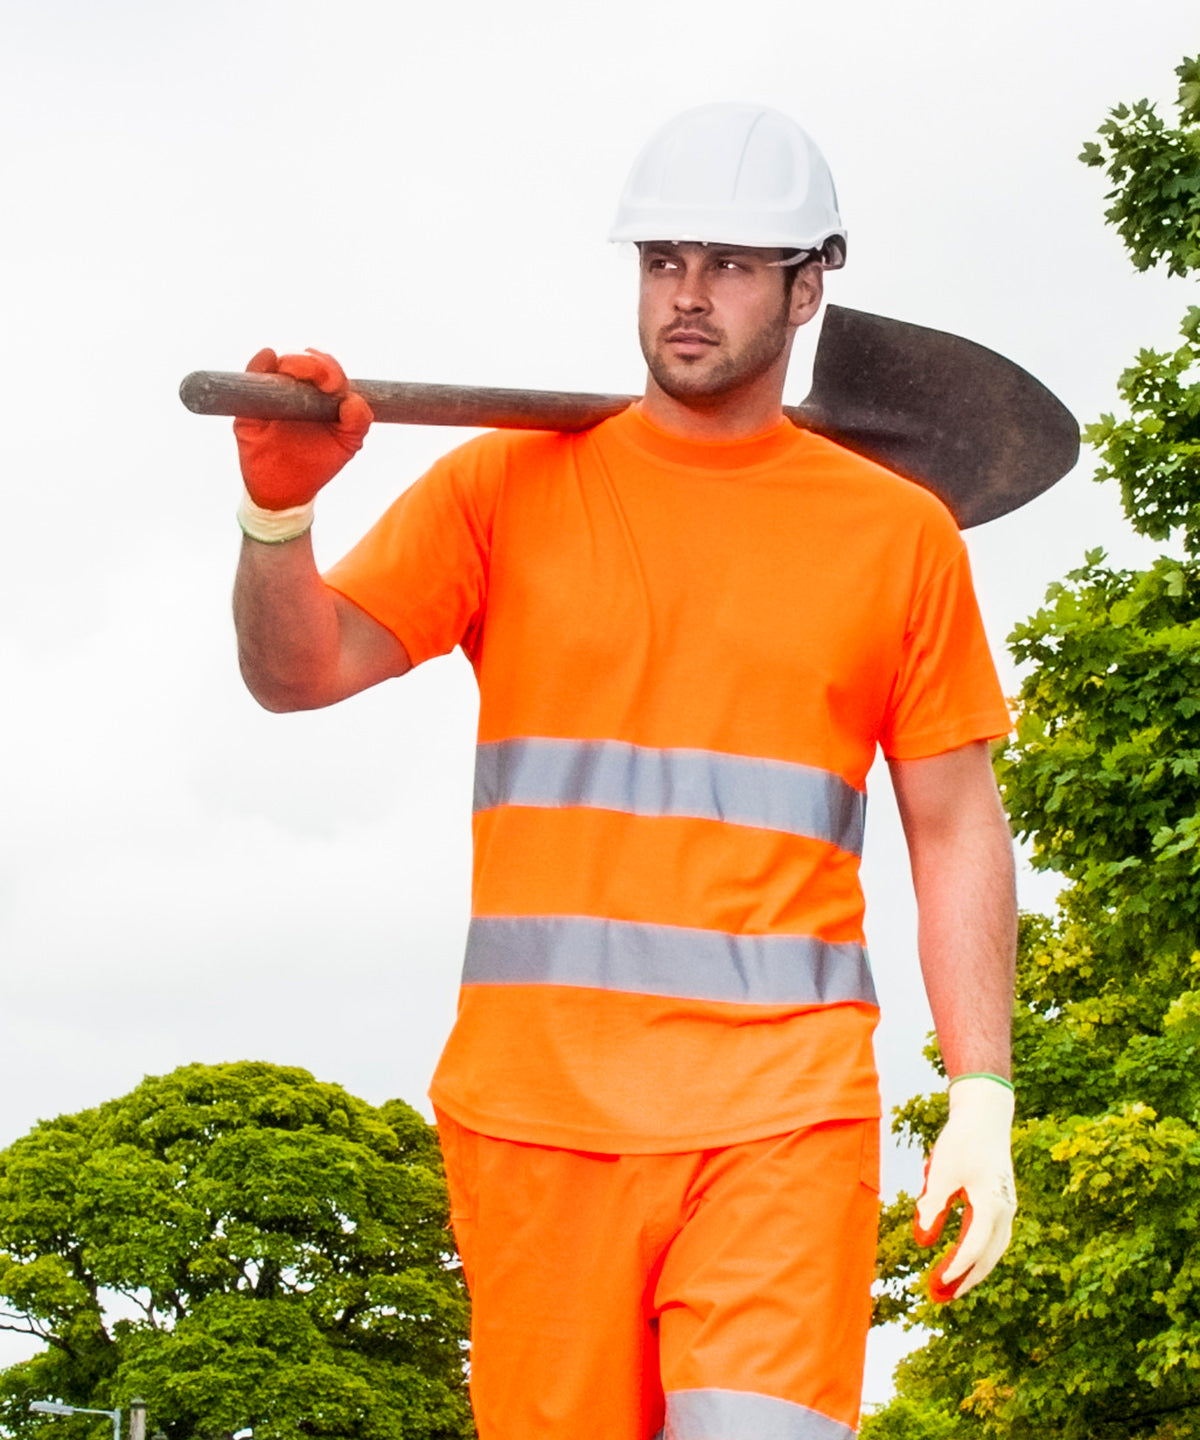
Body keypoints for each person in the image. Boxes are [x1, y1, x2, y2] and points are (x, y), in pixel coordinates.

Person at [231, 103, 1018, 1440]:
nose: (688, 295)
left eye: (728, 262)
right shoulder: (506, 491)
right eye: (664, 260)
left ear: (810, 282)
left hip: (783, 1112)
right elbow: (296, 672)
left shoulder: (899, 538)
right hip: (538, 1122)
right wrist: (278, 516)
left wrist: (983, 1097)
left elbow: (955, 829)